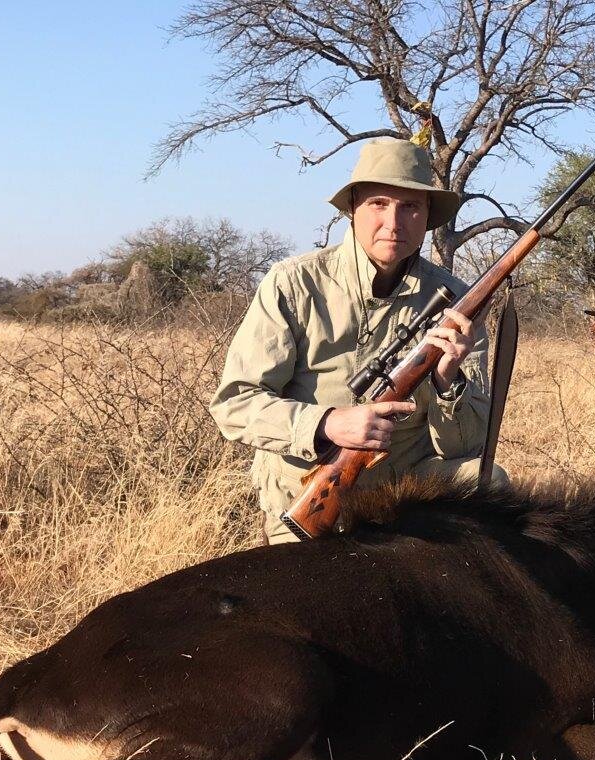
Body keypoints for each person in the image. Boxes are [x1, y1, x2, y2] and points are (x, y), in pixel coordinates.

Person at [210, 137, 506, 544]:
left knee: (489, 482)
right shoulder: (293, 283)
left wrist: (448, 381)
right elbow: (235, 403)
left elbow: (469, 445)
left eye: (411, 207)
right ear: (352, 209)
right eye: (378, 204)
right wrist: (328, 423)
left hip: (404, 487)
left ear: (427, 218)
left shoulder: (457, 303)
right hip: (306, 485)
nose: (394, 222)